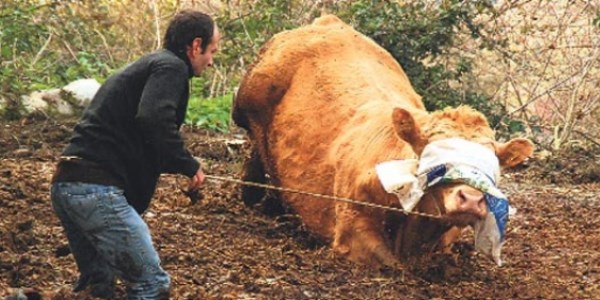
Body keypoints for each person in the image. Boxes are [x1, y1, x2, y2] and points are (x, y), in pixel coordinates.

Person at [50, 10, 220, 299]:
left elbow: (144, 136)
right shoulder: (171, 67)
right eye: (211, 51)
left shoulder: (147, 66)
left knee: (100, 287)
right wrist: (189, 164)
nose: (211, 60)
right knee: (152, 284)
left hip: (67, 186)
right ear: (195, 45)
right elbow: (153, 119)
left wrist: (183, 166)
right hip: (96, 191)